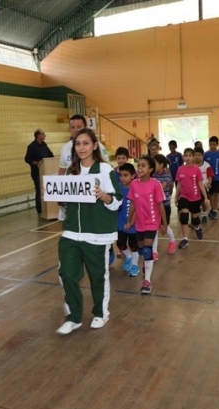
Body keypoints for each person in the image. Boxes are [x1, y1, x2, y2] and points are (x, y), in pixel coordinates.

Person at [56, 128, 122, 335]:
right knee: (66, 273)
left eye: (86, 143)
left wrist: (104, 196)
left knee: (97, 277)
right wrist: (53, 192)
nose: (81, 148)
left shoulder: (104, 169)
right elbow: (66, 202)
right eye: (78, 144)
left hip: (96, 233)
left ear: (95, 146)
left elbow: (118, 200)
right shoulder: (70, 171)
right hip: (71, 233)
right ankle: (74, 317)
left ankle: (101, 314)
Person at [125, 156, 167, 295]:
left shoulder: (155, 184)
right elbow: (133, 204)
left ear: (150, 169)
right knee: (142, 250)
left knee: (148, 250)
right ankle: (146, 263)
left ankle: (147, 281)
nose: (140, 168)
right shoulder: (134, 184)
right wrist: (130, 220)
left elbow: (160, 204)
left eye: (143, 165)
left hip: (152, 221)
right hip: (140, 222)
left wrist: (164, 223)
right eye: (139, 165)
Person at [175, 148, 210, 249]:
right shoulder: (180, 169)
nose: (188, 158)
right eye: (186, 156)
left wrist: (206, 198)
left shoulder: (196, 169)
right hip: (184, 196)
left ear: (193, 157)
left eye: (190, 156)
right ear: (183, 157)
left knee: (195, 219)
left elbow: (200, 184)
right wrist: (176, 196)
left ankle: (197, 228)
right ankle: (185, 239)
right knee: (184, 217)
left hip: (195, 197)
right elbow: (179, 184)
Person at [116, 163, 140, 276]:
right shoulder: (117, 187)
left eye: (125, 175)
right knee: (120, 243)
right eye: (121, 175)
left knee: (134, 246)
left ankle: (135, 265)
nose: (122, 178)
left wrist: (131, 222)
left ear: (133, 176)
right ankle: (128, 257)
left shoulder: (136, 188)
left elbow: (136, 207)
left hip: (134, 224)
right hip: (120, 223)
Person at [24, 129, 54, 215]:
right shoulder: (31, 146)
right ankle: (40, 210)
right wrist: (37, 163)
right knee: (39, 191)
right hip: (37, 172)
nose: (45, 135)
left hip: (46, 171)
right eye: (43, 134)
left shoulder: (44, 144)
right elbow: (27, 159)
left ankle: (48, 208)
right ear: (38, 136)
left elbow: (50, 155)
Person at [152, 154, 177, 254]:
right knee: (154, 227)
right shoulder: (152, 175)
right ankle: (154, 251)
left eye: (155, 164)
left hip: (164, 205)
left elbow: (161, 189)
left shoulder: (166, 175)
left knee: (165, 226)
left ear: (161, 165)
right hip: (154, 205)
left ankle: (172, 241)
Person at [203, 135, 219, 218]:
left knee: (216, 193)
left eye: (214, 144)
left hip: (218, 177)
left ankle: (215, 210)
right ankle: (212, 209)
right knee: (211, 194)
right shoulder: (206, 154)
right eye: (211, 144)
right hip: (209, 178)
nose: (212, 146)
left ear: (217, 144)